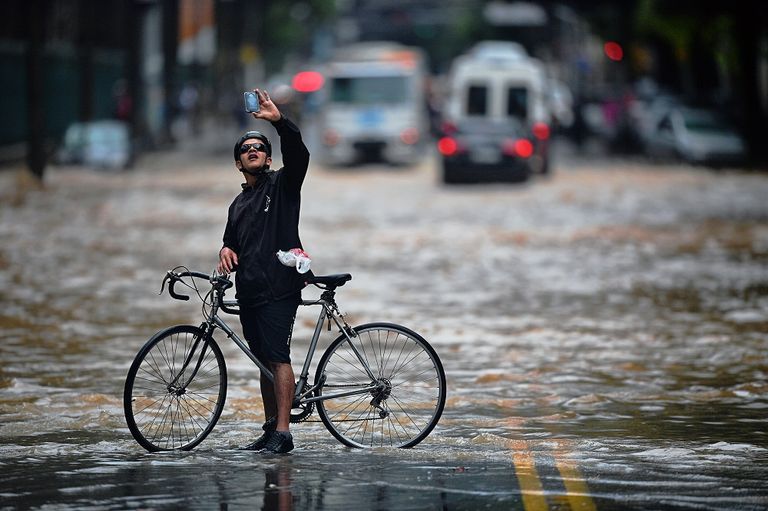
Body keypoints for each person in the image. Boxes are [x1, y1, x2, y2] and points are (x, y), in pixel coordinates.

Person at [217, 88, 311, 454]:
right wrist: (225, 249)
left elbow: (299, 154)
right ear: (238, 163)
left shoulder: (284, 186)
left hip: (280, 288)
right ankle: (271, 427)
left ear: (268, 158)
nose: (253, 150)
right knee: (263, 362)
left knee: (278, 356)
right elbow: (230, 243)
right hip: (250, 293)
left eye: (259, 147)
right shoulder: (237, 205)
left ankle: (284, 434)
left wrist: (278, 121)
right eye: (245, 149)